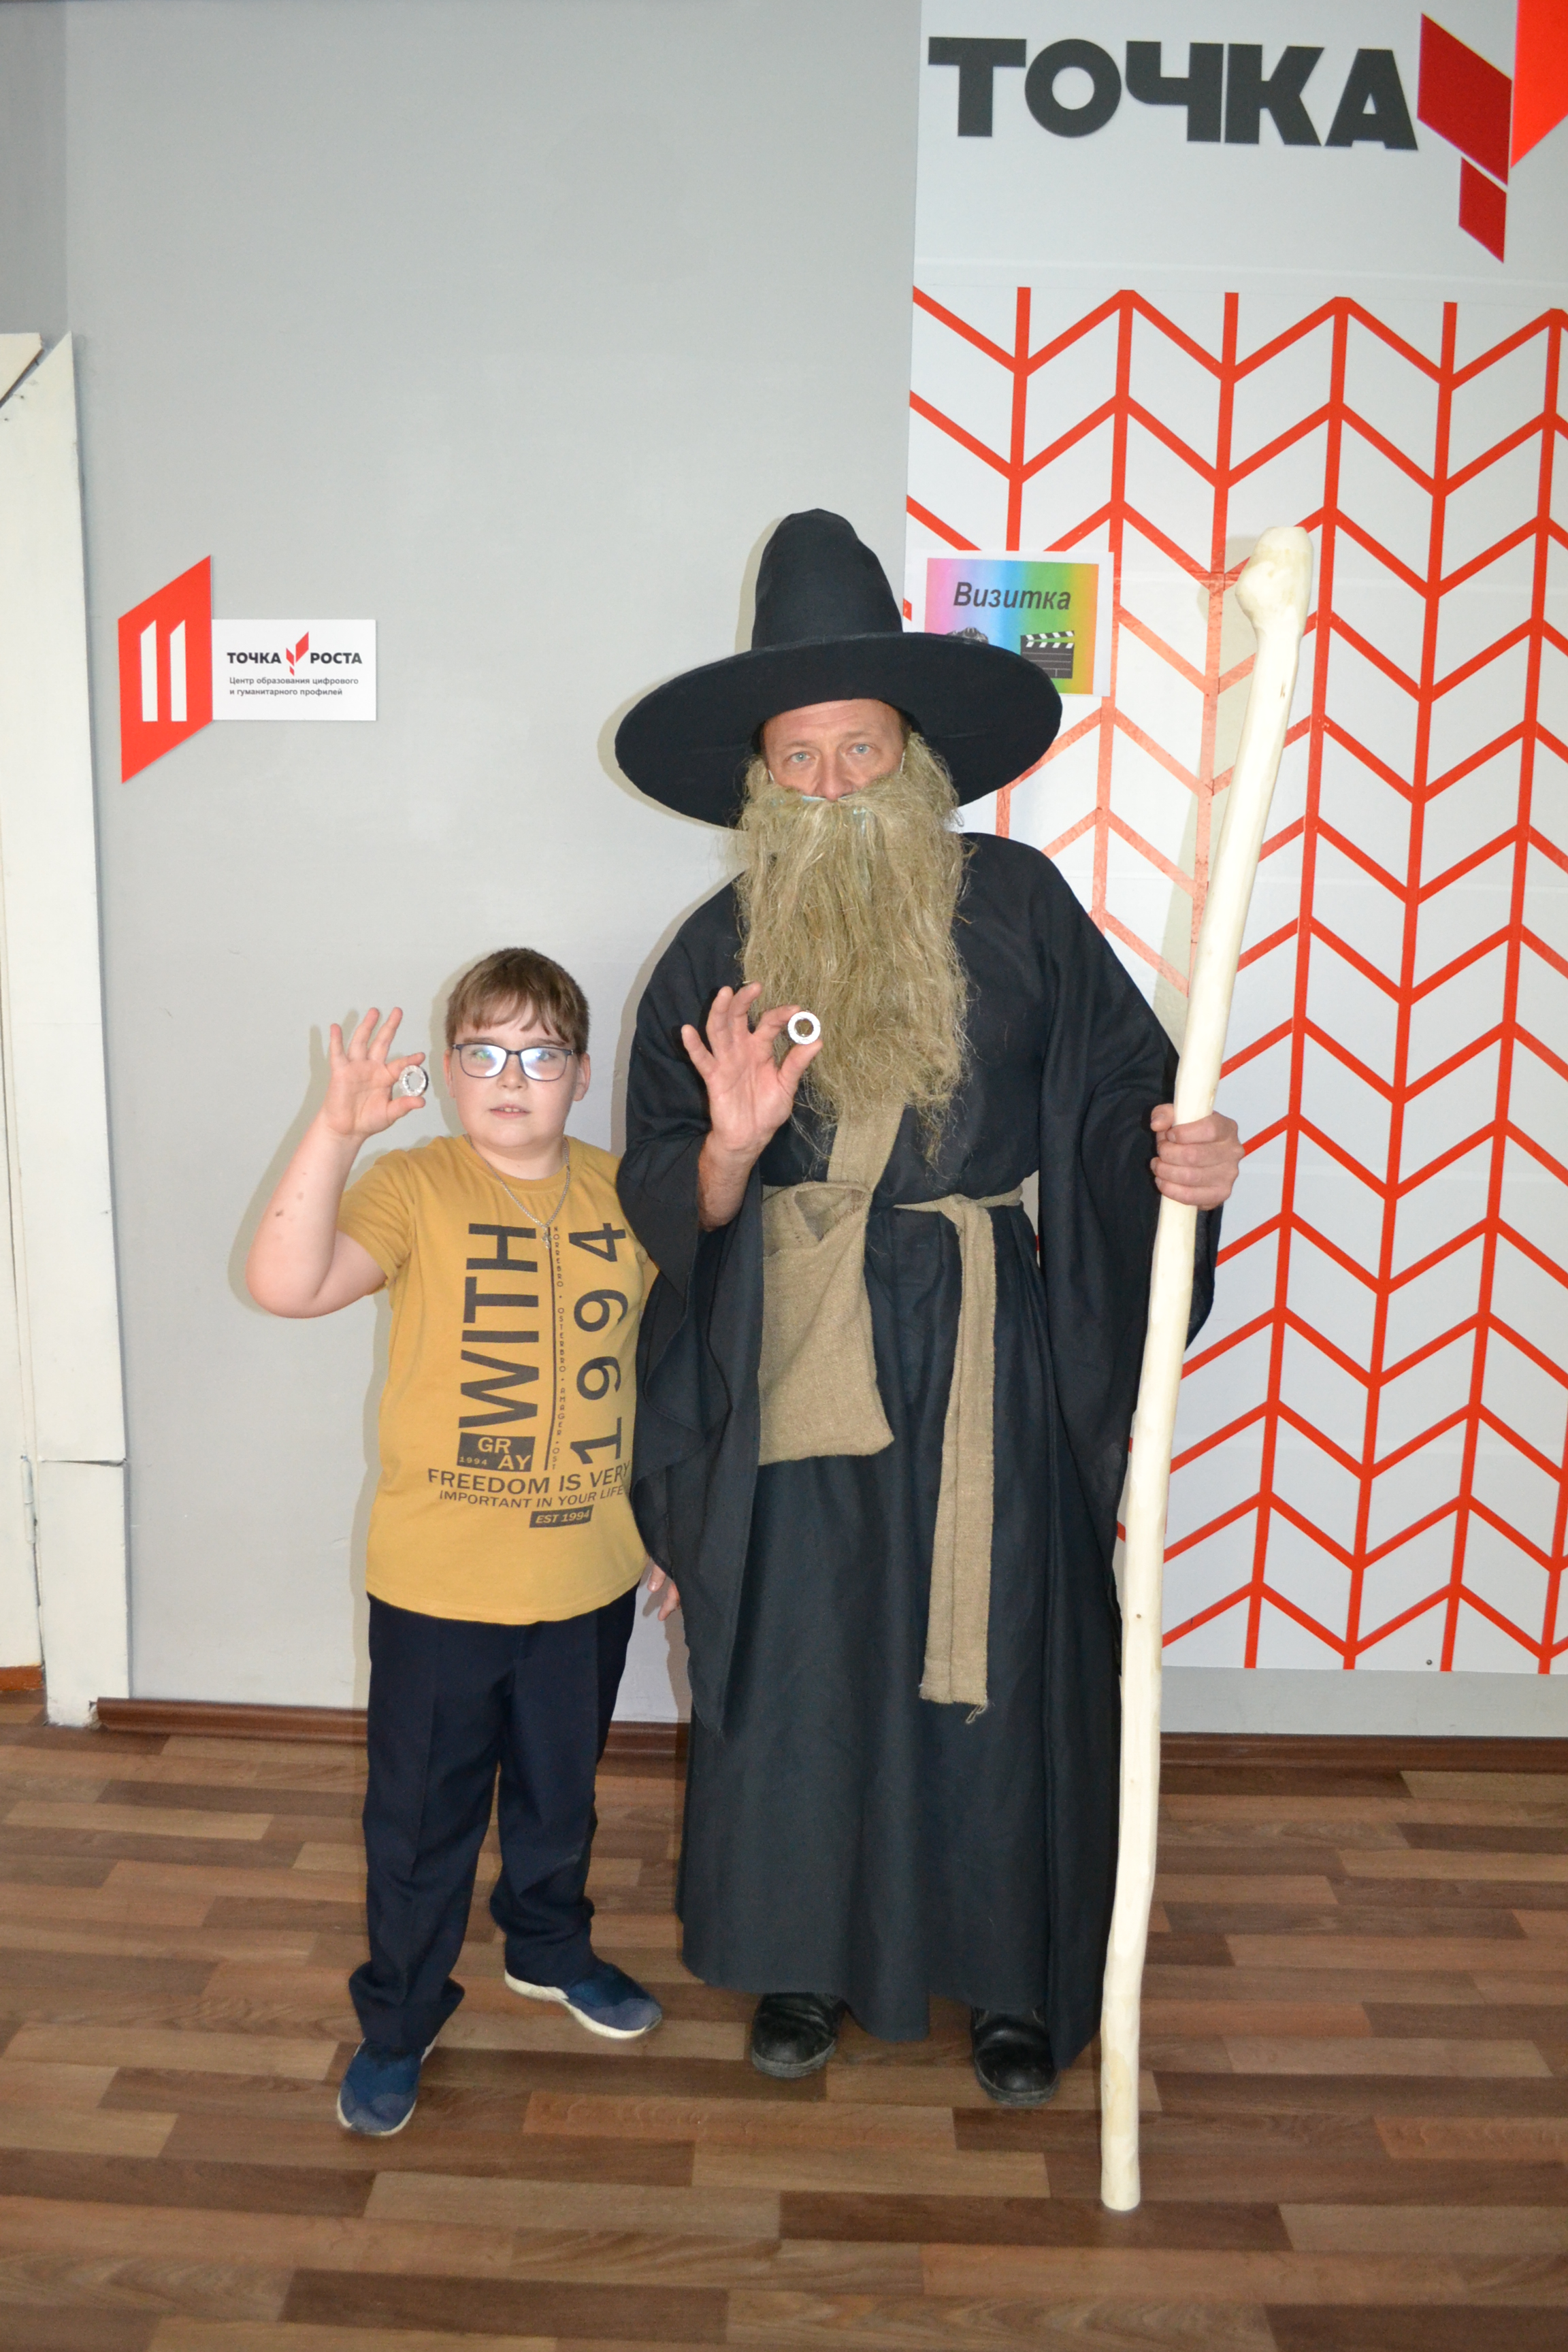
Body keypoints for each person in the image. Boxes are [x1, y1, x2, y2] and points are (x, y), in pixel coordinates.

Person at [612, 512, 1241, 2106]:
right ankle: (805, 1959)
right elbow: (661, 1188)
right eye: (799, 757)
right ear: (763, 778)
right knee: (804, 1654)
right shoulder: (717, 950)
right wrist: (730, 1150)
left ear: (911, 757)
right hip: (792, 1343)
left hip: (984, 1340)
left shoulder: (1019, 904)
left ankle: (1015, 1974)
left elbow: (1125, 1100)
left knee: (1010, 1645)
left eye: (860, 750)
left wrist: (1183, 1158)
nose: (831, 784)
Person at [246, 948, 664, 2137]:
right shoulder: (414, 1185)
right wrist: (336, 1131)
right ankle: (400, 2016)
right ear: (446, 1068)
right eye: (484, 1052)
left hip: (586, 1572)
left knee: (559, 1796)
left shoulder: (628, 1194)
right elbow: (286, 1284)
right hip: (438, 1588)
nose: (511, 1077)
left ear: (581, 1073)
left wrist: (675, 1533)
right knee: (421, 1824)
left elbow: (673, 1373)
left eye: (539, 1054)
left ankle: (547, 1945)